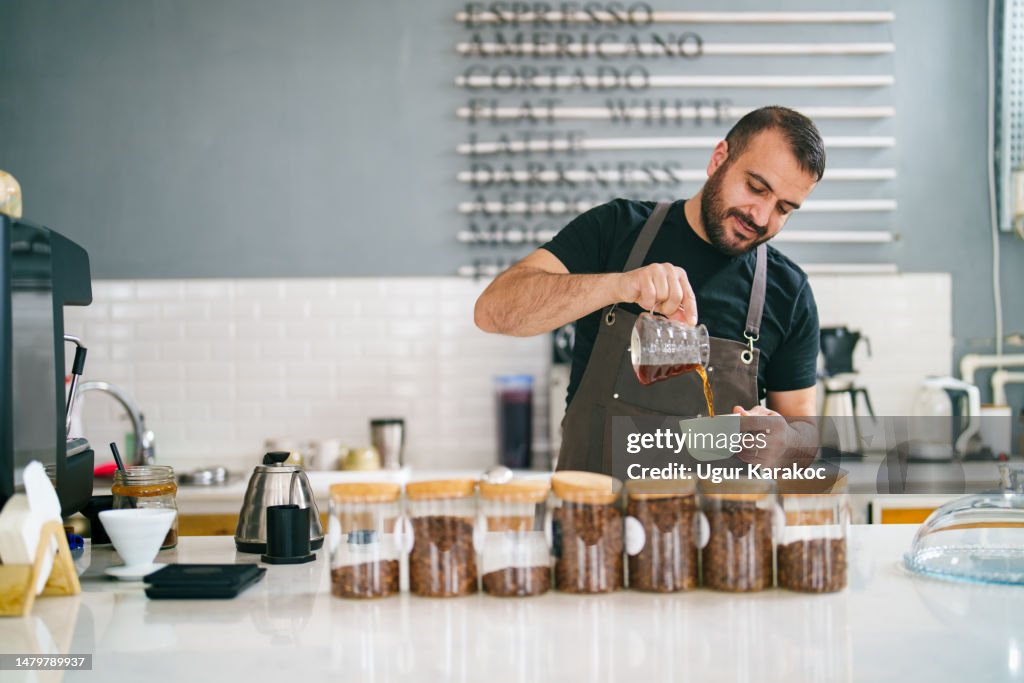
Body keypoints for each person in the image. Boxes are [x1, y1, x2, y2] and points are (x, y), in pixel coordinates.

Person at [474, 106, 825, 474]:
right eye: (756, 187)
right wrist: (618, 285)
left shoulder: (789, 292)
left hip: (717, 526)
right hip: (592, 520)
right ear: (719, 158)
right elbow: (493, 311)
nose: (761, 216)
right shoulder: (616, 230)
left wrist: (784, 445)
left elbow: (803, 438)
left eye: (784, 208)